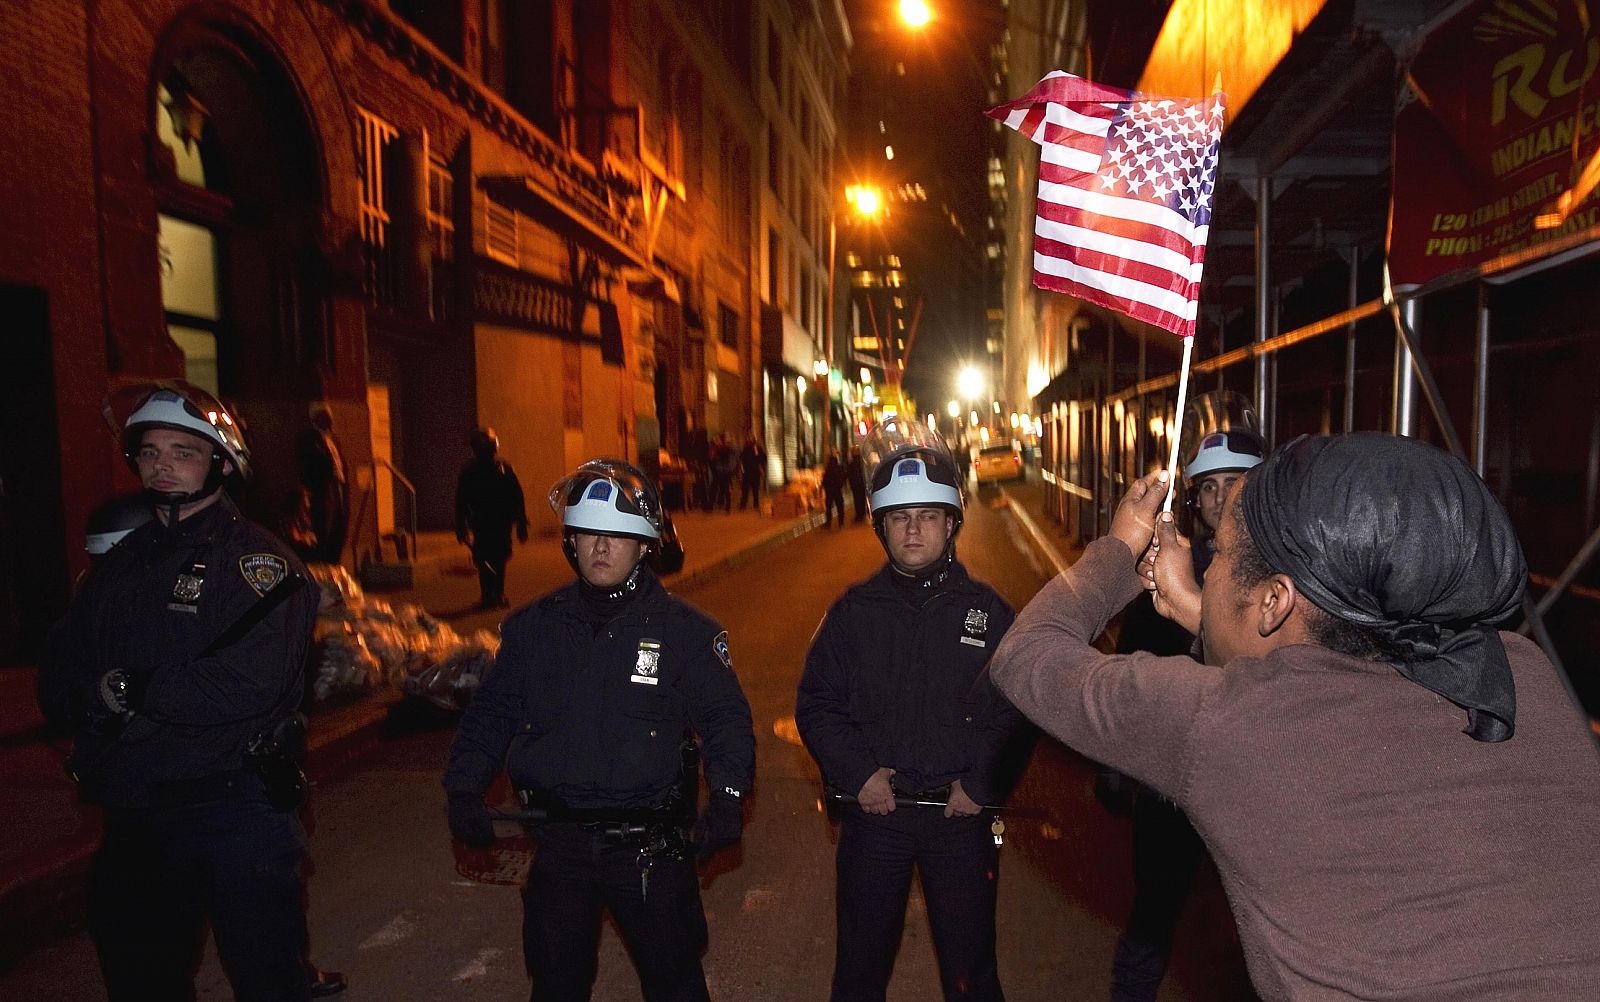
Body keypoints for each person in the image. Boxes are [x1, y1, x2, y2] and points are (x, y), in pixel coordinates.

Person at [990, 433, 1600, 1000]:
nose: (1212, 564)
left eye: (1222, 555)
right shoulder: (1517, 672)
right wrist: (1208, 612)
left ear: (1274, 599)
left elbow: (1026, 656)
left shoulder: (1230, 724)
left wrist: (1120, 552)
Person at [38, 382, 327, 1002]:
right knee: (139, 976)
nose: (162, 466)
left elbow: (249, 683)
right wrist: (96, 698)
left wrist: (134, 688)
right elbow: (61, 670)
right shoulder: (122, 564)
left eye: (183, 452)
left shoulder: (258, 564)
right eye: (149, 453)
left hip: (232, 811)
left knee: (268, 977)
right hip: (137, 815)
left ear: (221, 463)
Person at [443, 458, 755, 1002]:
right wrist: (463, 785)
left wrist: (728, 796)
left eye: (617, 535)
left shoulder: (685, 634)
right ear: (571, 542)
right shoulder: (532, 630)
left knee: (675, 982)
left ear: (643, 545)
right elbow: (492, 712)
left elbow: (727, 720)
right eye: (588, 534)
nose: (601, 548)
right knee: (556, 983)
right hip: (559, 845)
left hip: (647, 851)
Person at [797, 419, 1021, 1002]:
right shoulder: (853, 612)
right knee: (859, 973)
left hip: (961, 819)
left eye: (926, 516)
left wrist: (981, 782)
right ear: (882, 526)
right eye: (899, 518)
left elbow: (1019, 708)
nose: (913, 530)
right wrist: (857, 774)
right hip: (879, 814)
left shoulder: (989, 613)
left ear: (951, 524)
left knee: (973, 975)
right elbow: (817, 704)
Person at [1104, 424, 1264, 1002]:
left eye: (1236, 484)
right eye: (1210, 487)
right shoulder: (1163, 572)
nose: (1221, 499)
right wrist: (1118, 763)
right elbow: (1131, 669)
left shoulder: (1290, 581)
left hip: (1255, 784)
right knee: (1154, 908)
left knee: (1257, 931)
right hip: (1174, 780)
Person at [455, 427, 528, 609]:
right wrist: (460, 525)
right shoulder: (470, 472)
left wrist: (521, 522)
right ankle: (489, 595)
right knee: (484, 559)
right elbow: (461, 500)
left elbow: (516, 497)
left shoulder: (503, 469)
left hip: (500, 523)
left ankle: (496, 594)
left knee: (498, 558)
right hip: (482, 523)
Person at [293, 402, 347, 565]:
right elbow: (307, 466)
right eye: (326, 416)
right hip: (322, 490)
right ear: (317, 418)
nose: (330, 420)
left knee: (339, 523)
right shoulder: (308, 440)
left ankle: (334, 560)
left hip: (338, 487)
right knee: (324, 526)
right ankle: (324, 560)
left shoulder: (333, 440)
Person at [738, 436, 767, 511]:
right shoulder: (745, 449)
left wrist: (761, 469)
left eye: (751, 440)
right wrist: (742, 471)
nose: (750, 441)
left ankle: (755, 504)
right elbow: (742, 460)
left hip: (755, 472)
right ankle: (743, 504)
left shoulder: (758, 448)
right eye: (749, 440)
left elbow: (762, 459)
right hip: (747, 472)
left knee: (755, 489)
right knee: (745, 490)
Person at [821, 449, 848, 528]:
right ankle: (841, 522)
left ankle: (828, 523)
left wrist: (824, 486)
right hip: (837, 489)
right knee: (840, 505)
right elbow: (843, 476)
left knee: (829, 506)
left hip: (829, 489)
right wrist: (841, 484)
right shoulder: (839, 466)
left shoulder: (828, 467)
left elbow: (825, 478)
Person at [847, 445, 868, 523]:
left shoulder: (852, 463)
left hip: (856, 485)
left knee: (857, 500)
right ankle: (862, 514)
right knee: (861, 499)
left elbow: (849, 474)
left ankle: (860, 515)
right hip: (861, 484)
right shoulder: (862, 462)